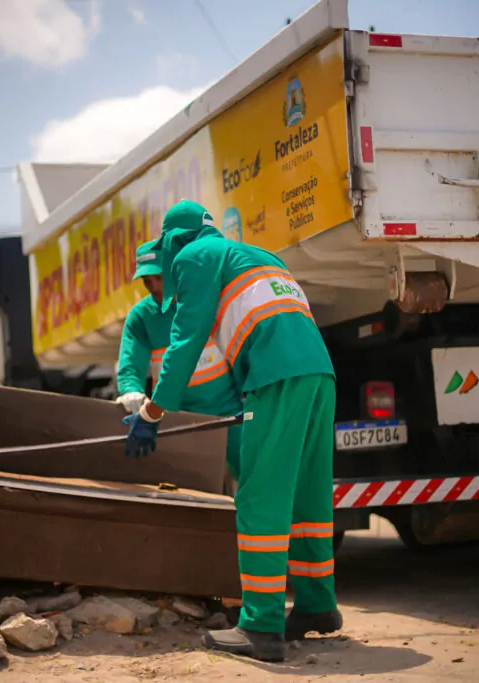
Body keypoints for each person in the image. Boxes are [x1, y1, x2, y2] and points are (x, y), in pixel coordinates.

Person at [123, 200, 340, 662]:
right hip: (319, 374)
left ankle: (261, 628)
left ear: (173, 242)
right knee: (308, 494)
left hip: (276, 377)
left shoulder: (193, 257)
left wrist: (153, 413)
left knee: (260, 498)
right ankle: (318, 606)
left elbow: (185, 341)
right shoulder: (260, 256)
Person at [115, 242, 243, 482]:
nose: (154, 287)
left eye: (158, 278)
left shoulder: (206, 300)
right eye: (147, 281)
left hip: (229, 414)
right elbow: (131, 365)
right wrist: (131, 391)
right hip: (178, 422)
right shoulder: (141, 318)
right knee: (187, 492)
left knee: (257, 478)